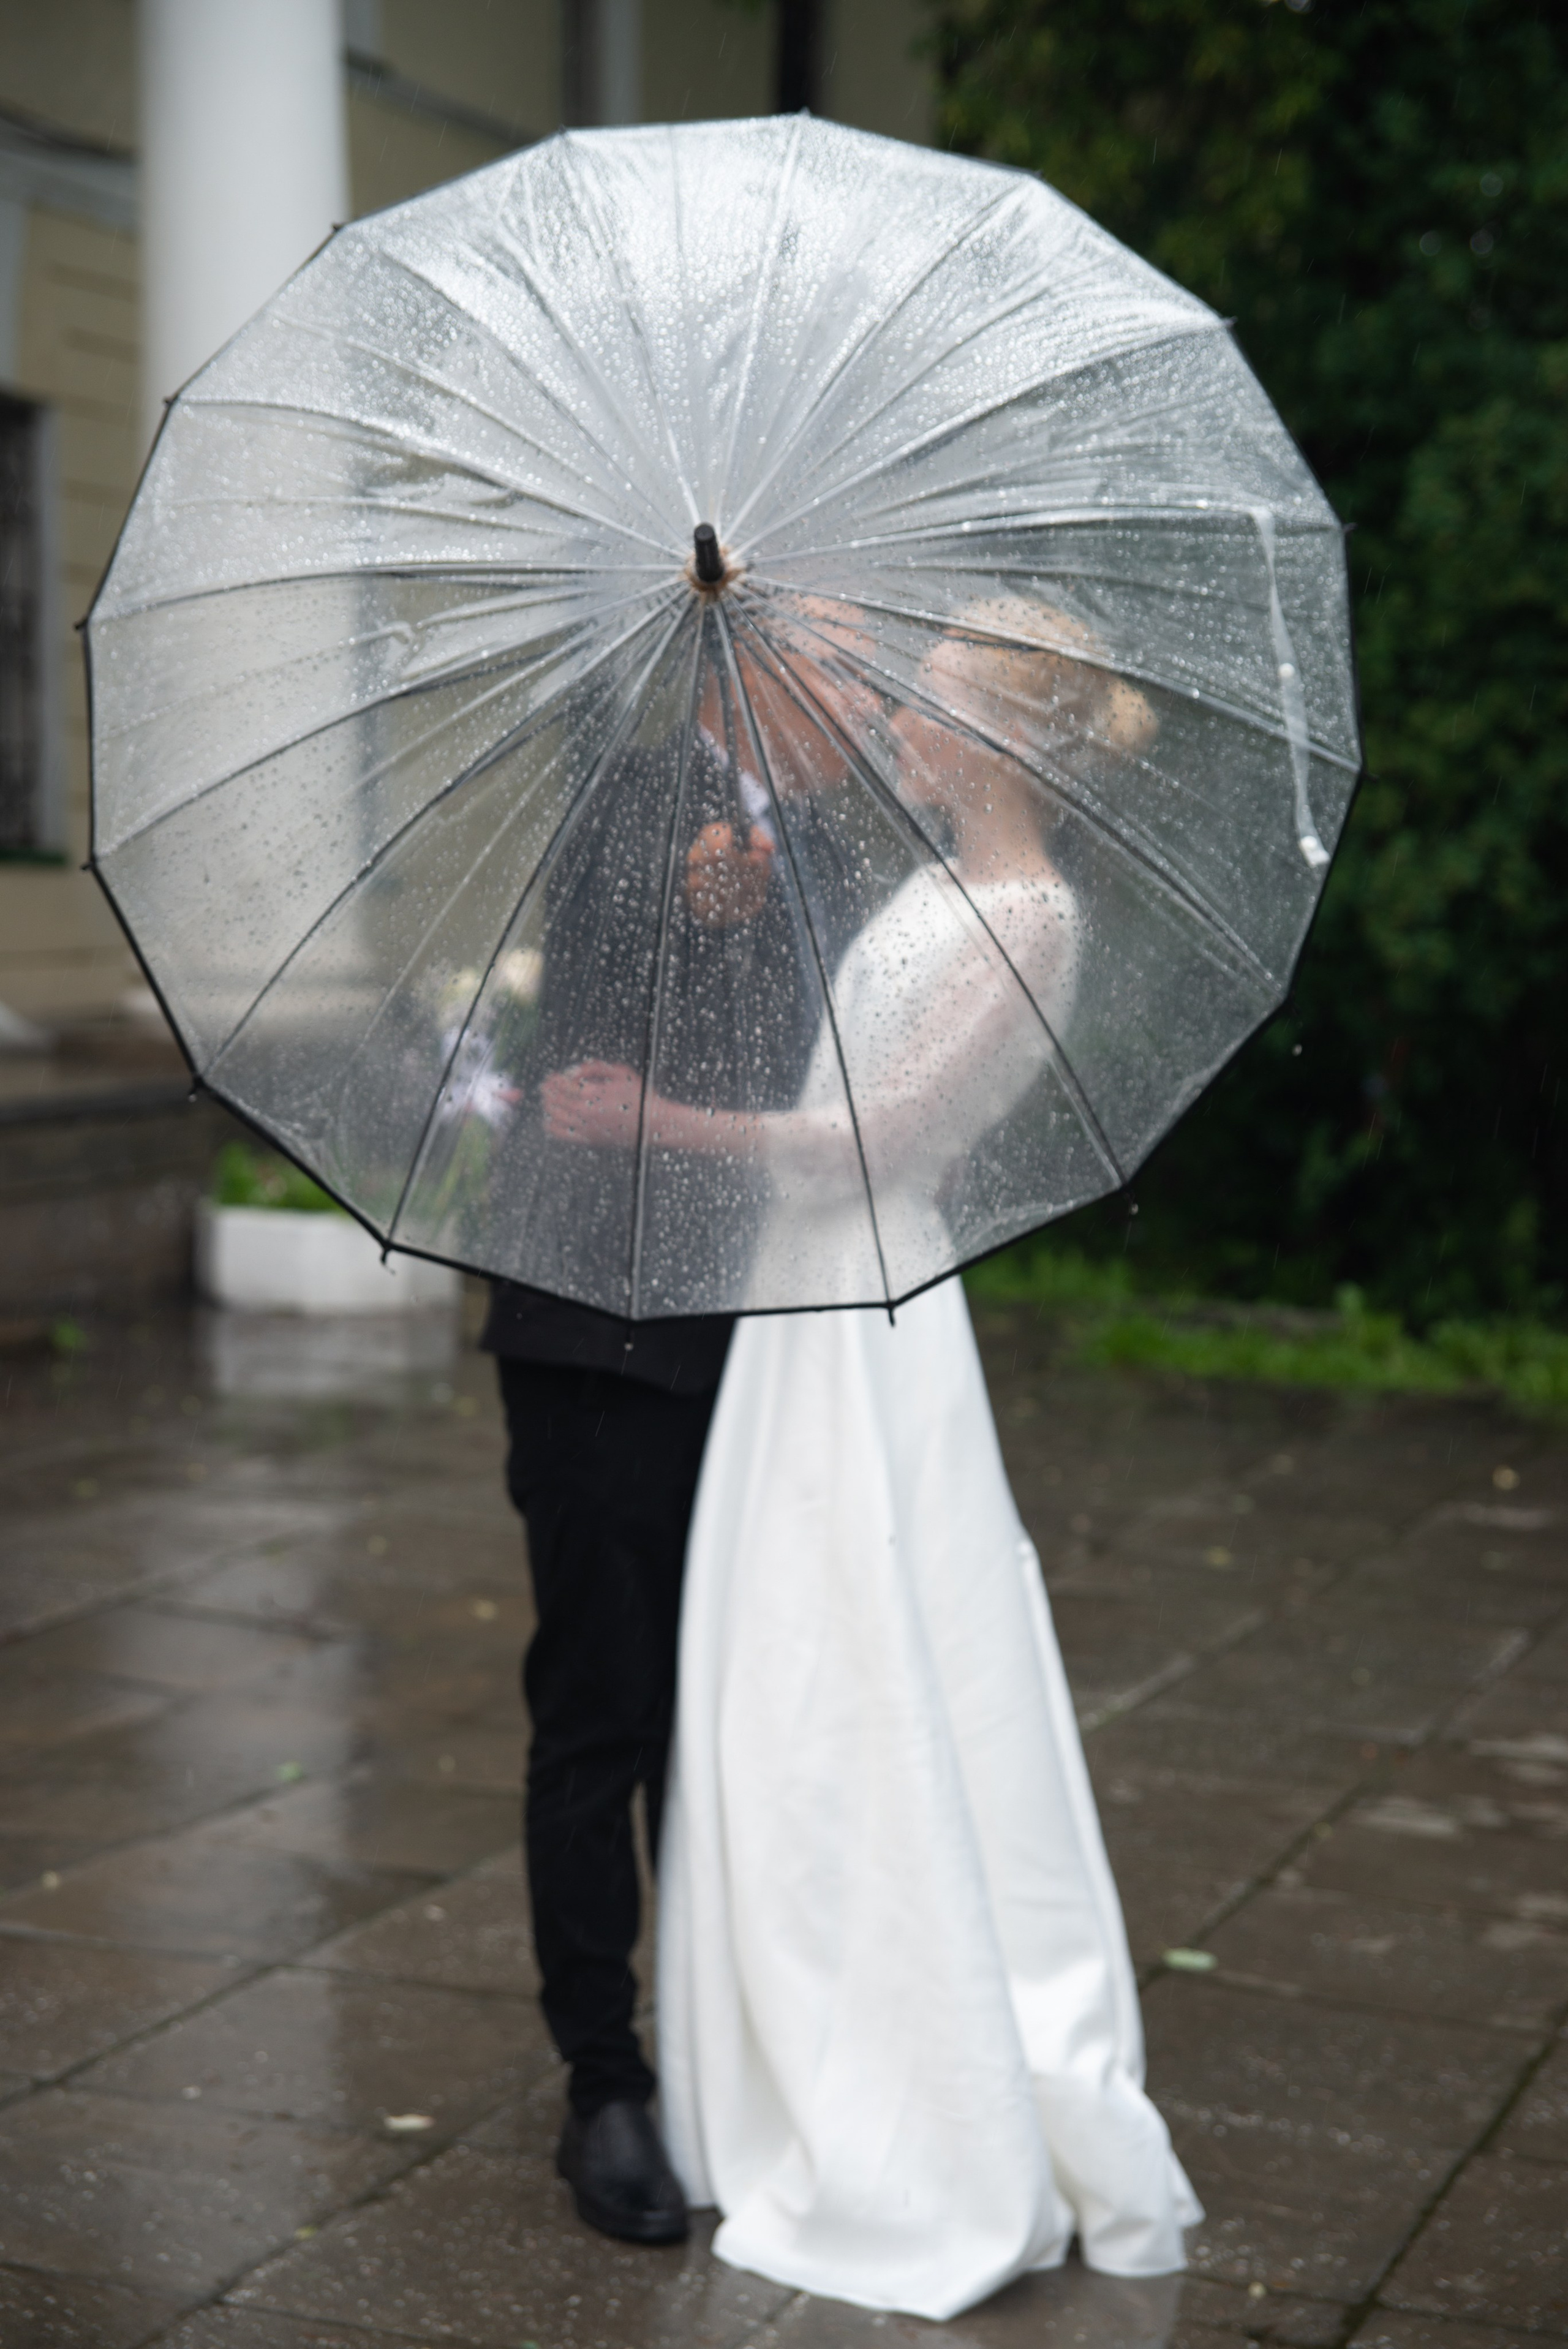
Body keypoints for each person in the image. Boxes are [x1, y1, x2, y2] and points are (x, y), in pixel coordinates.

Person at [543, 600, 1202, 2318]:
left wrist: (659, 1116)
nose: (890, 717)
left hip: (853, 1304)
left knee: (849, 1674)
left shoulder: (1026, 908)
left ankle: (885, 2063)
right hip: (763, 1311)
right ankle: (699, 2054)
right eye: (876, 684)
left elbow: (866, 1138)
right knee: (737, 1674)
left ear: (994, 739)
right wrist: (714, 905)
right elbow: (800, 1032)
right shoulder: (870, 861)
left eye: (920, 700)